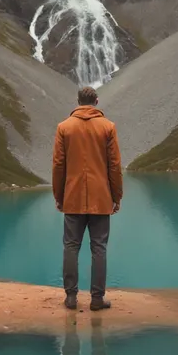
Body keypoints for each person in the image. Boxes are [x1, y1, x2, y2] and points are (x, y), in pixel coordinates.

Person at [52, 86, 123, 311]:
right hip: (101, 198)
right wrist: (116, 196)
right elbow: (115, 166)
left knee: (71, 246)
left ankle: (71, 297)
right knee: (99, 247)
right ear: (96, 101)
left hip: (72, 197)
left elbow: (58, 165)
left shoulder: (64, 127)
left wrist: (59, 195)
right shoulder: (108, 127)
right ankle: (97, 299)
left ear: (78, 101)